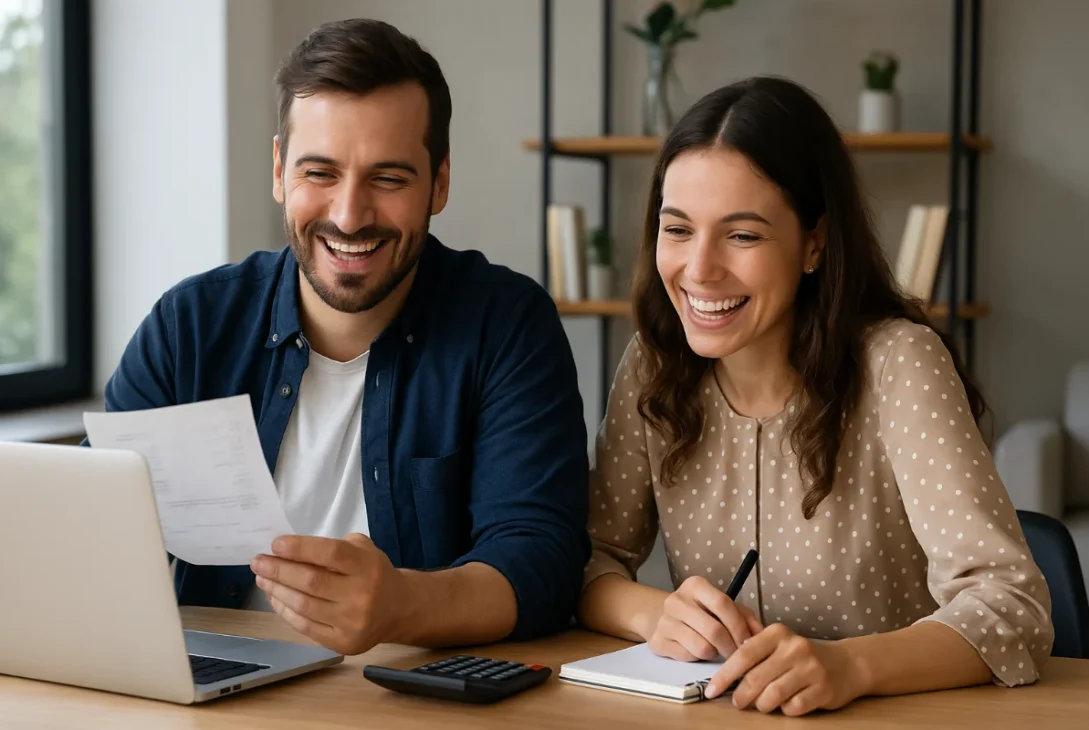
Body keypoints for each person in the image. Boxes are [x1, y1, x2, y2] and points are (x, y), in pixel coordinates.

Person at [94, 18, 590, 655]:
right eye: (320, 173)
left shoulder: (507, 325)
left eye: (388, 179)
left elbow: (542, 561)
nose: (350, 216)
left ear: (439, 182)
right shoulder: (189, 326)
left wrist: (400, 606)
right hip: (211, 690)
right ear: (279, 170)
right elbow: (97, 523)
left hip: (410, 700)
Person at [577, 76, 1054, 716]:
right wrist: (653, 612)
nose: (698, 269)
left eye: (742, 235)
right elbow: (581, 559)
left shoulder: (899, 365)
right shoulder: (652, 364)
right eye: (678, 229)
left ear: (814, 243)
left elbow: (1011, 605)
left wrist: (851, 664)